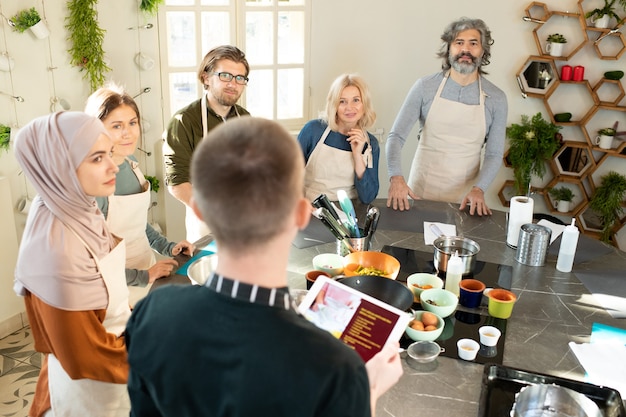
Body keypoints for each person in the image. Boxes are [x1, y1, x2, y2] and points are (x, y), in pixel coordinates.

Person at [125, 117, 402, 416]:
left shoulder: (151, 313)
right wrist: (367, 392)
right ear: (299, 215)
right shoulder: (338, 371)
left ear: (199, 210)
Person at [13, 112, 131, 416]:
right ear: (59, 166)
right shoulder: (56, 248)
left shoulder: (76, 205)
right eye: (96, 158)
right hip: (92, 388)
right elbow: (85, 355)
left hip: (115, 368)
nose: (113, 165)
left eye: (109, 154)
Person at [386, 17, 507, 216]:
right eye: (459, 43)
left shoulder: (497, 99)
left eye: (473, 43)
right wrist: (396, 178)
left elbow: (494, 154)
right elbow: (396, 137)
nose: (465, 50)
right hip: (420, 192)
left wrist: (479, 189)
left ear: (483, 51)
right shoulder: (425, 87)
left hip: (465, 200)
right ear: (449, 49)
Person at [85, 84, 194, 288]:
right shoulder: (93, 184)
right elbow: (91, 262)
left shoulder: (131, 163)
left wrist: (169, 247)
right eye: (116, 126)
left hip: (147, 270)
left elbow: (136, 225)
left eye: (132, 123)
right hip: (113, 285)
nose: (128, 133)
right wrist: (143, 276)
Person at [163, 45, 251, 242]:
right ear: (206, 77)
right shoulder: (184, 121)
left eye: (239, 78)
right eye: (225, 76)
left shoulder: (245, 118)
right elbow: (177, 183)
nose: (233, 84)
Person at [298, 73, 380, 204]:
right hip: (311, 209)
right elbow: (289, 175)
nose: (349, 107)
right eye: (342, 101)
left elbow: (368, 197)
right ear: (334, 105)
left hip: (349, 214)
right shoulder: (313, 130)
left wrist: (357, 156)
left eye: (356, 100)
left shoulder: (371, 144)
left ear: (364, 104)